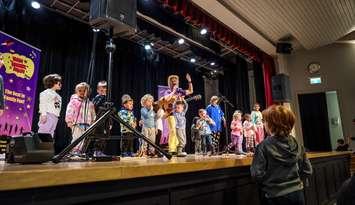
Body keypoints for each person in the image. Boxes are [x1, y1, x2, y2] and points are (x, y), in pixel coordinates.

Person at [251, 105, 312, 205]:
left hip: (274, 197)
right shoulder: (297, 143)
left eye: (265, 121)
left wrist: (272, 184)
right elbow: (307, 170)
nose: (263, 124)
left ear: (271, 124)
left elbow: (256, 175)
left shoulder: (263, 146)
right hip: (297, 194)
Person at [160, 74, 193, 154]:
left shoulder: (180, 91)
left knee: (179, 131)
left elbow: (190, 91)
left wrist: (189, 81)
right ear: (170, 82)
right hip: (170, 113)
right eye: (172, 80)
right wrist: (174, 92)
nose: (174, 81)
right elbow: (166, 99)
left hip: (178, 114)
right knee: (173, 131)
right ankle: (172, 149)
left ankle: (179, 148)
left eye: (176, 80)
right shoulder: (167, 91)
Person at [65, 82, 96, 155]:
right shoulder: (74, 101)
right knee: (77, 138)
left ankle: (80, 151)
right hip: (77, 123)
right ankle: (74, 151)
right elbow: (69, 111)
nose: (82, 92)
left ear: (87, 92)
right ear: (76, 91)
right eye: (80, 91)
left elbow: (93, 114)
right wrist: (69, 121)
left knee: (84, 139)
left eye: (84, 91)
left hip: (87, 124)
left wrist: (93, 122)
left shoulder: (90, 103)